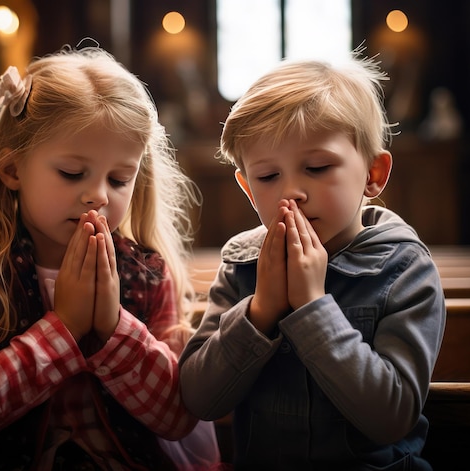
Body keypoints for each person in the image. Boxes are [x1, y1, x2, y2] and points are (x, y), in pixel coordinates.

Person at [0, 44, 221, 470]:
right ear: (12, 171)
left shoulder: (149, 273)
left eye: (119, 179)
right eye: (72, 173)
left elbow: (176, 417)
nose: (98, 195)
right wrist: (66, 328)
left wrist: (112, 328)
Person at [179, 49, 446, 470]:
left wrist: (312, 307)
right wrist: (261, 311)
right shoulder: (243, 265)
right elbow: (199, 399)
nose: (292, 193)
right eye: (268, 177)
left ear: (373, 174)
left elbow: (392, 416)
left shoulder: (404, 269)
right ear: (248, 189)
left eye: (318, 167)